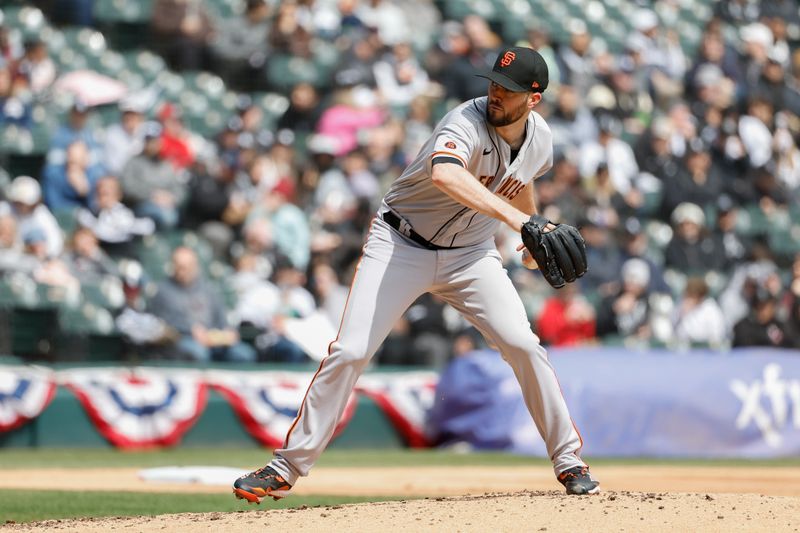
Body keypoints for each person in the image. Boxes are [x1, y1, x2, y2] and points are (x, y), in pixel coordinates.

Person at [233, 46, 599, 501]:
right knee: (350, 351)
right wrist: (519, 222)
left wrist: (530, 232)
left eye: (508, 89)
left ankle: (569, 461)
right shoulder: (464, 121)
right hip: (401, 243)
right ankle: (285, 467)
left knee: (524, 345)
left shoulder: (540, 138)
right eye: (493, 83)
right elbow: (447, 175)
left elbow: (520, 182)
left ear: (534, 99)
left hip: (470, 255)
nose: (495, 93)